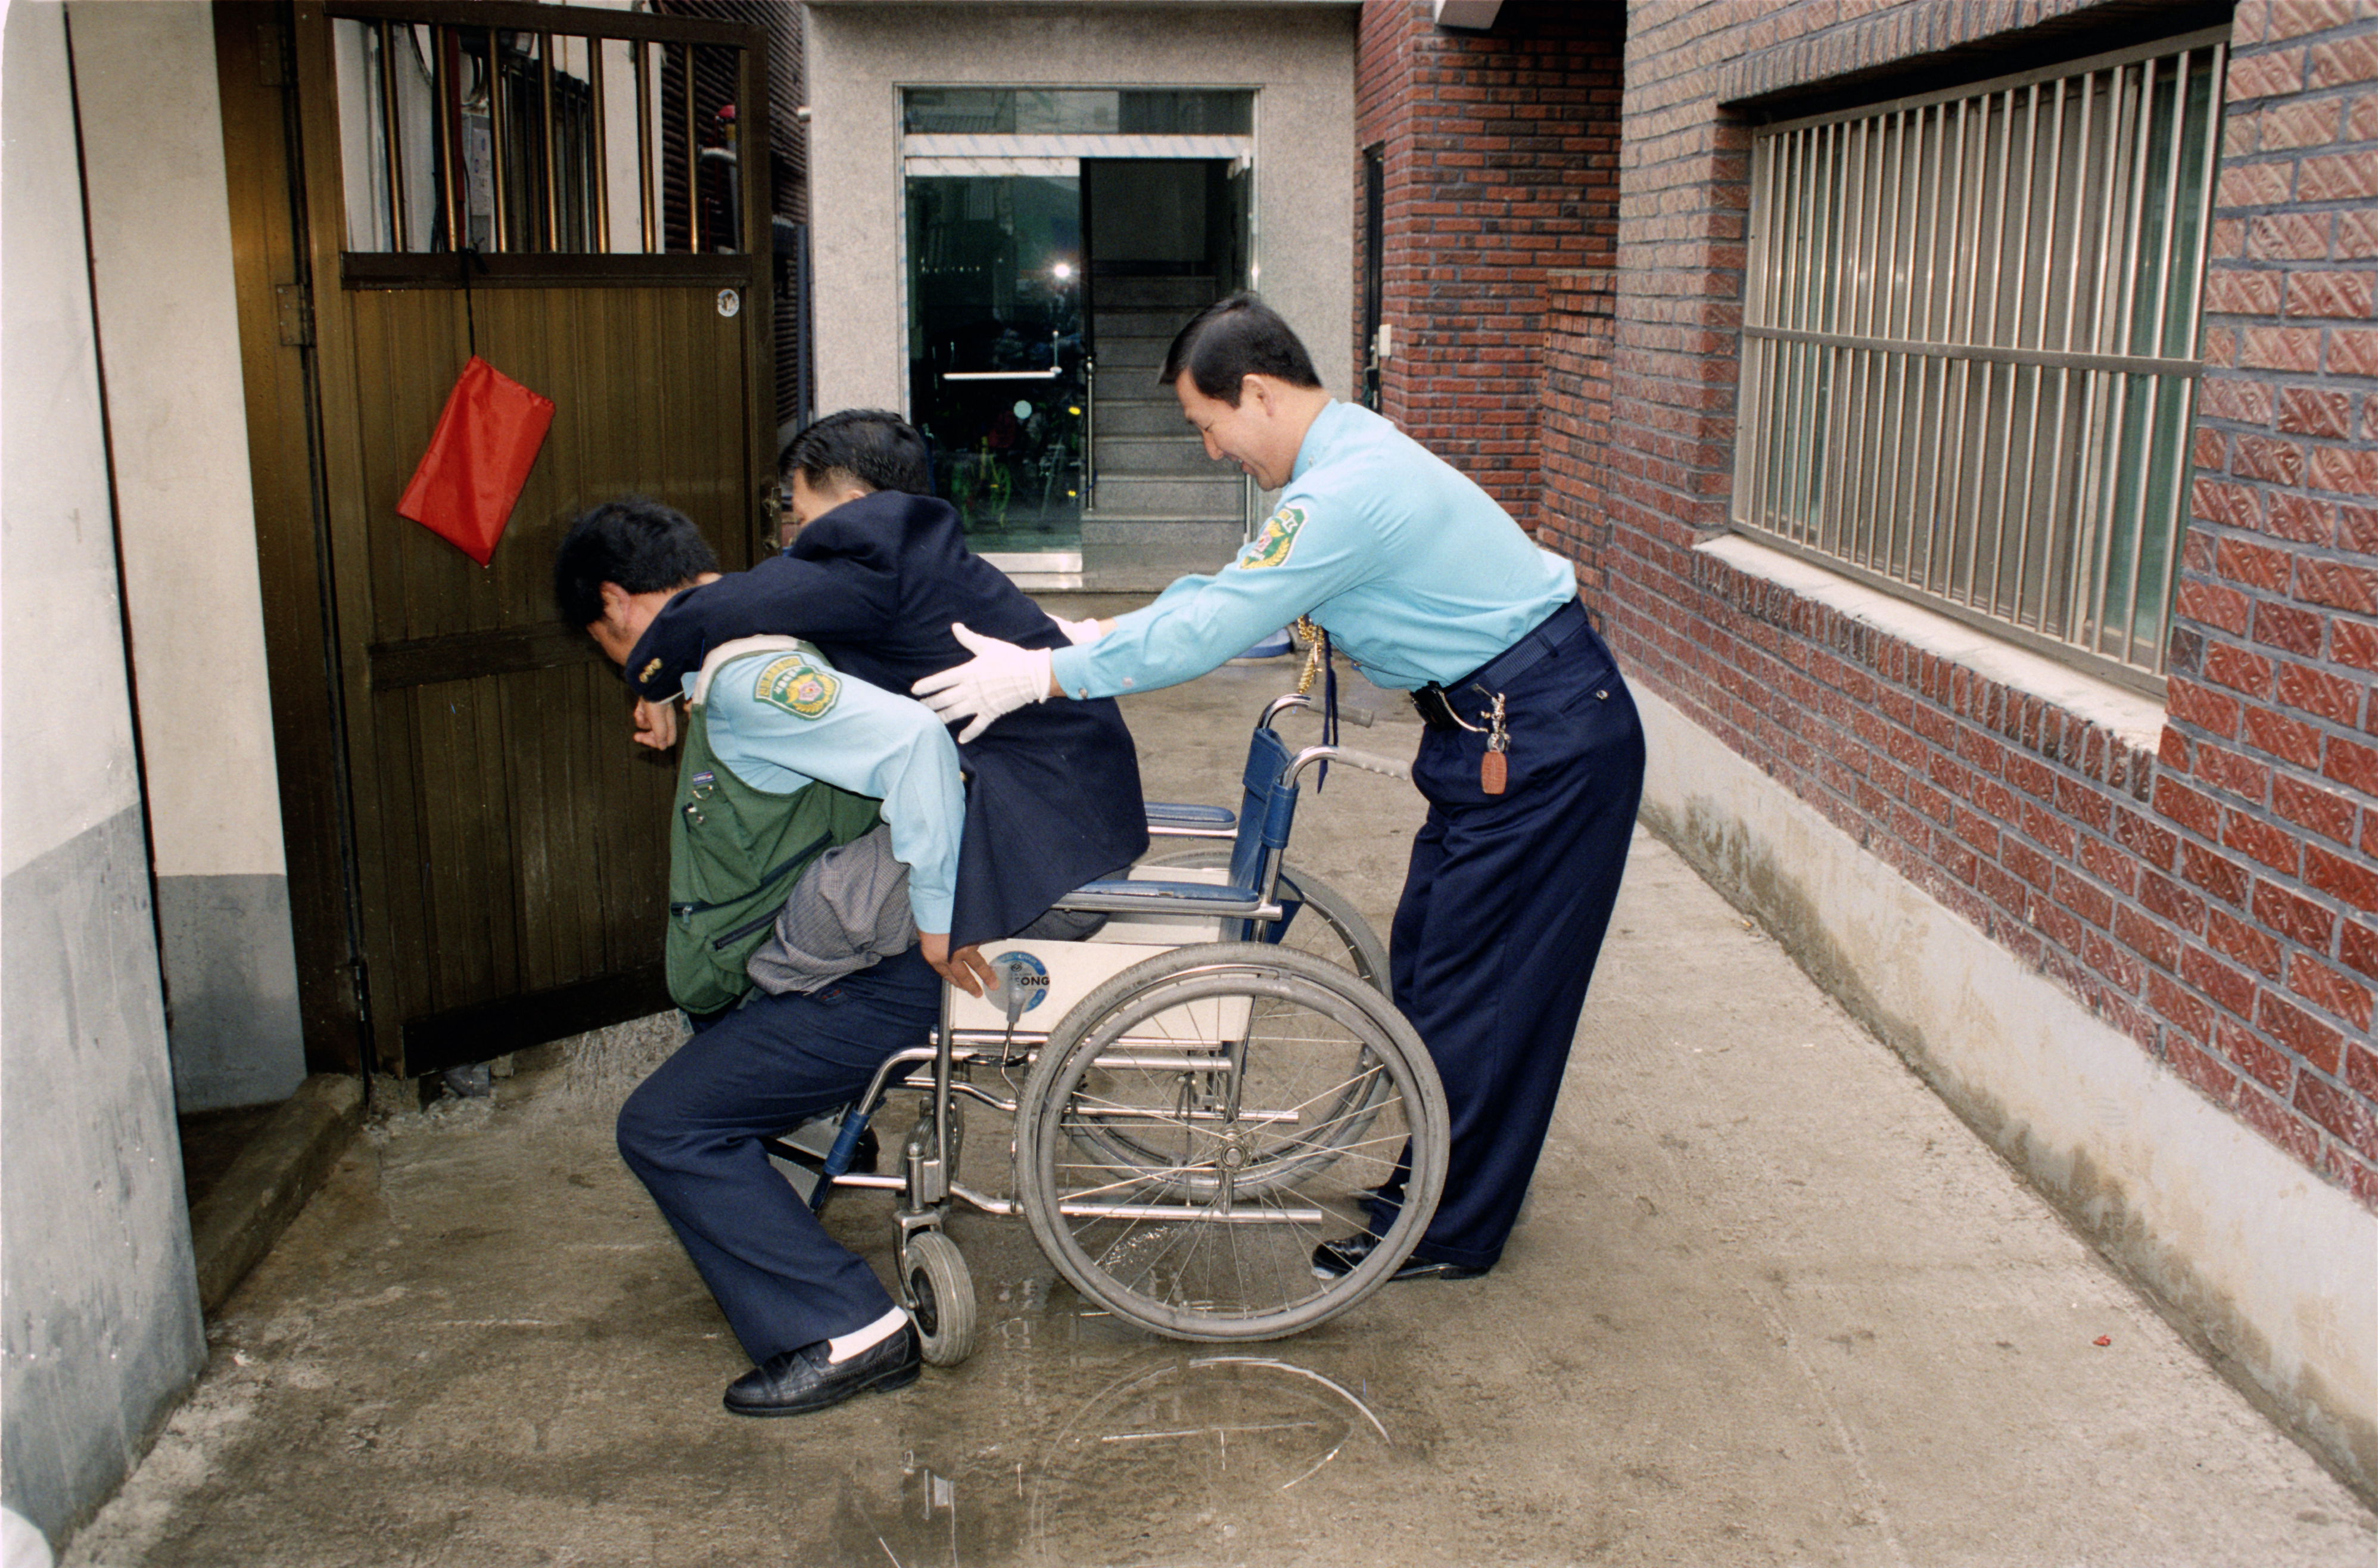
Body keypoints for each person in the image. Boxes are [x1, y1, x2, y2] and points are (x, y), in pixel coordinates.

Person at [913, 294, 1646, 1283]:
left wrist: (1042, 674)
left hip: (1540, 736)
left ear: (1254, 392)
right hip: (1500, 730)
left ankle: (1448, 1228)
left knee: (1491, 988)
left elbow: (1219, 619)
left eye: (1206, 425)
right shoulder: (1344, 464)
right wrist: (1088, 639)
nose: (1212, 450)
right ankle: (1433, 1180)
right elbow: (1237, 594)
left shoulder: (1344, 490)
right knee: (1434, 968)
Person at [554, 497, 976, 1418]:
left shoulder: (748, 676)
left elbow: (914, 745)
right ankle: (818, 1138)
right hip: (843, 954)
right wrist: (666, 689)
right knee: (711, 1034)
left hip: (883, 974)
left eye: (604, 641)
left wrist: (941, 922)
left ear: (620, 603)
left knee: (664, 1127)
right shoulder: (747, 632)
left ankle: (847, 1326)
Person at [620, 409, 1146, 952]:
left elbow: (726, 606)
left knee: (810, 921)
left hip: (1046, 866)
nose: (794, 543)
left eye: (801, 519)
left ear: (854, 510)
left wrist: (652, 678)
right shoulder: (927, 557)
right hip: (1085, 835)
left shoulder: (874, 562)